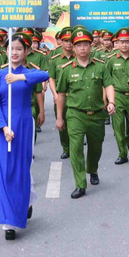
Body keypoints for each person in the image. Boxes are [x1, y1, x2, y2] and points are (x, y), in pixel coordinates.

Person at [0, 32, 50, 240]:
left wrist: (20, 77)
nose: (14, 52)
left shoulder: (28, 73)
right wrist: (3, 127)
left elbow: (45, 76)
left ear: (26, 52)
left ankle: (26, 200)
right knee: (5, 170)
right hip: (3, 129)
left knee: (22, 167)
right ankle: (9, 222)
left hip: (24, 125)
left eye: (18, 49)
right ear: (5, 51)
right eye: (11, 48)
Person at [55, 27, 116, 199]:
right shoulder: (66, 69)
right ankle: (80, 184)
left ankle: (93, 169)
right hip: (75, 114)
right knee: (75, 148)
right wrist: (59, 117)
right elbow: (60, 95)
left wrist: (111, 102)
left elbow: (109, 85)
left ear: (91, 47)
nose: (82, 48)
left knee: (96, 147)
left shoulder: (101, 67)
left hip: (97, 114)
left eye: (85, 45)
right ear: (73, 48)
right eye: (78, 45)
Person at [106, 27, 129, 165]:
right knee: (118, 126)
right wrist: (108, 100)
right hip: (117, 95)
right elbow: (106, 81)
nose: (124, 44)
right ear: (117, 43)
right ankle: (122, 153)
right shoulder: (111, 60)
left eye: (127, 41)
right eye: (121, 41)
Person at [48, 27, 75, 159]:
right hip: (60, 97)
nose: (69, 44)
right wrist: (55, 94)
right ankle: (66, 147)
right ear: (61, 42)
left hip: (75, 97)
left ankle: (75, 147)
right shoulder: (55, 59)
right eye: (66, 41)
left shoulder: (80, 58)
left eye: (71, 41)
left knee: (75, 126)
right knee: (61, 123)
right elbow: (51, 78)